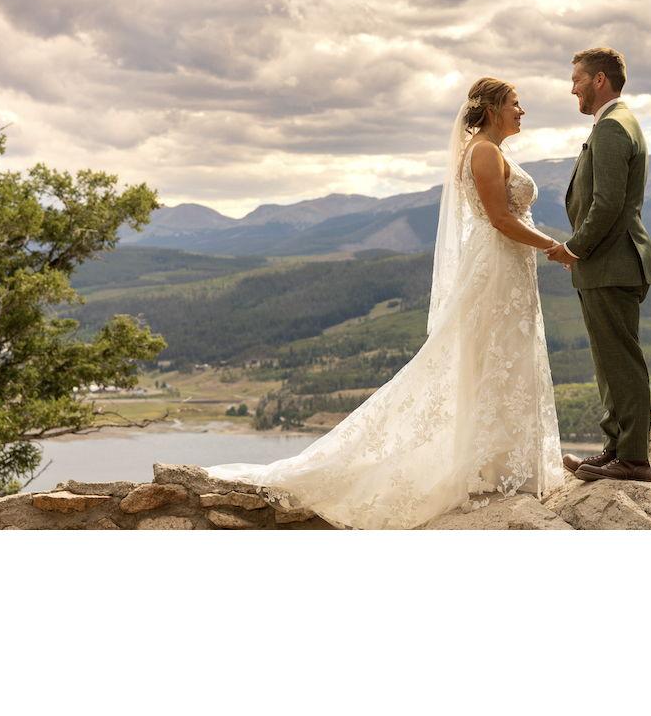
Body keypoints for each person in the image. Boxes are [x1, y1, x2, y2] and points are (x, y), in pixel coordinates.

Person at [203, 77, 564, 529]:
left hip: (510, 271)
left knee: (506, 358)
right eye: (515, 103)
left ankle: (506, 463)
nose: (522, 111)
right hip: (496, 269)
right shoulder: (485, 152)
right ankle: (492, 466)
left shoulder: (491, 151)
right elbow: (499, 219)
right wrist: (556, 248)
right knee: (495, 357)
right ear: (492, 110)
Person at [546, 47, 651, 483]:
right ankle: (616, 448)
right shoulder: (615, 123)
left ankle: (632, 460)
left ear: (599, 80)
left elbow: (607, 204)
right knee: (610, 361)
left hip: (612, 264)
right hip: (610, 265)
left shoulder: (612, 127)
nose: (572, 87)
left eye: (576, 79)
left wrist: (574, 248)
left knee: (621, 363)